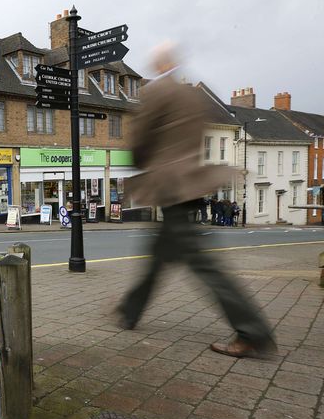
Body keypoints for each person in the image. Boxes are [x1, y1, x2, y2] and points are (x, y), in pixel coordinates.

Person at [117, 42, 276, 359]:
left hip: (171, 186)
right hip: (190, 184)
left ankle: (252, 332)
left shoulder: (158, 93)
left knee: (205, 266)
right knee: (158, 256)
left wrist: (138, 159)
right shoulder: (193, 96)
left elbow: (140, 141)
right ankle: (129, 311)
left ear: (161, 65)